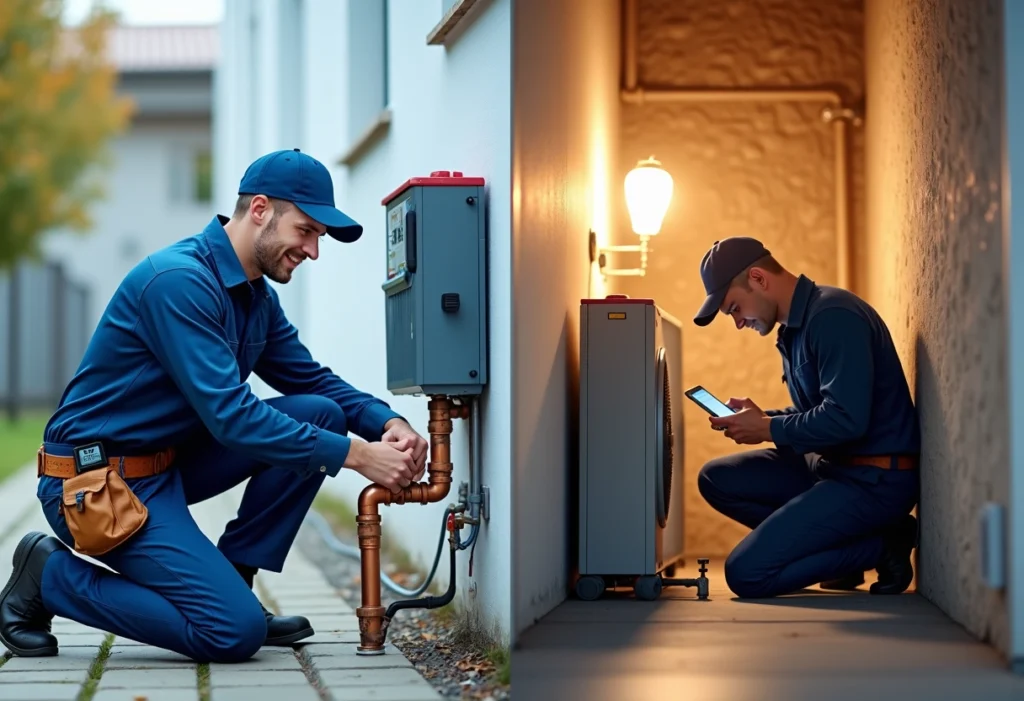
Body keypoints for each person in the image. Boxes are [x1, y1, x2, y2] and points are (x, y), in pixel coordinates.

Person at [0, 149, 429, 663]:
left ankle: (232, 582)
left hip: (165, 465)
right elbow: (233, 418)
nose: (314, 250)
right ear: (261, 210)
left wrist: (387, 421)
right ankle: (47, 577)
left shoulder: (254, 297)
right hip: (95, 486)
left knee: (319, 414)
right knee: (230, 633)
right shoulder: (178, 282)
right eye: (307, 230)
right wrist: (359, 456)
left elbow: (312, 380)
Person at [692, 236, 920, 598]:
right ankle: (843, 552)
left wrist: (767, 428)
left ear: (758, 278)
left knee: (746, 574)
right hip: (831, 465)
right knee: (716, 478)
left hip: (874, 478)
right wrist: (762, 417)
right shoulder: (793, 330)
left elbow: (846, 419)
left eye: (734, 308)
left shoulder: (833, 316)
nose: (737, 323)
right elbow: (817, 411)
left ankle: (884, 544)